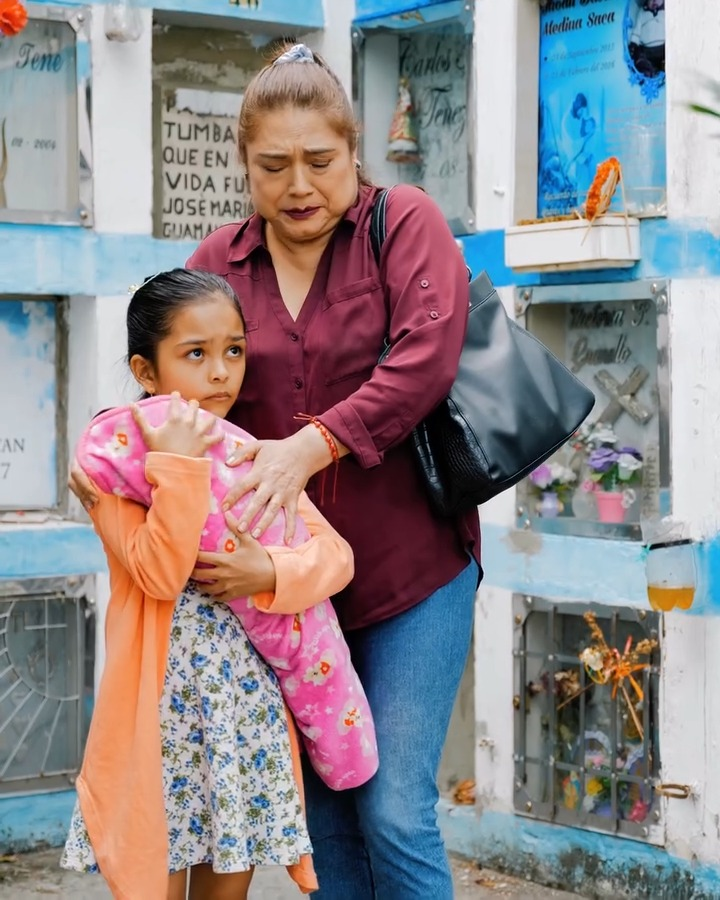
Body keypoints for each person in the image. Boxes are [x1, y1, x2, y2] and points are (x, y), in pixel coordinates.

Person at [71, 41, 482, 900]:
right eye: (274, 165)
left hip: (412, 569)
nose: (300, 184)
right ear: (244, 165)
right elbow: (175, 384)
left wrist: (312, 443)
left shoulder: (402, 224)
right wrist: (108, 461)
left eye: (320, 161)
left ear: (354, 151)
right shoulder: (219, 258)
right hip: (277, 589)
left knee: (395, 806)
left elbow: (427, 356)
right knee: (322, 812)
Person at [63, 268, 355, 900]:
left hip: (239, 714)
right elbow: (159, 573)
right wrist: (178, 468)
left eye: (233, 350)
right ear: (146, 371)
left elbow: (336, 557)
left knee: (228, 891)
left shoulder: (251, 454)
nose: (221, 372)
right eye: (196, 354)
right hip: (160, 721)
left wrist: (269, 571)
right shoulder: (119, 472)